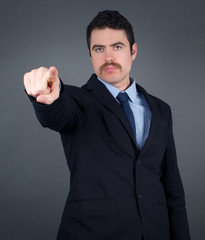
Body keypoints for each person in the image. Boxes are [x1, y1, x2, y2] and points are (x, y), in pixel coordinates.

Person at [24, 10, 191, 240]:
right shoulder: (75, 100)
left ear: (133, 51)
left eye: (117, 47)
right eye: (99, 49)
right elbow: (56, 114)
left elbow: (173, 189)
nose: (108, 57)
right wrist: (46, 97)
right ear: (91, 55)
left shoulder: (161, 110)